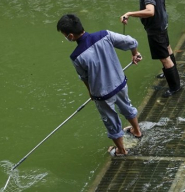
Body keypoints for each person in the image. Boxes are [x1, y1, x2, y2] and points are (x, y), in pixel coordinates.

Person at [57, 13, 143, 156]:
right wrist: (134, 54)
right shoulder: (105, 35)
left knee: (110, 120)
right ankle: (137, 131)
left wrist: (90, 92)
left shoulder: (76, 56)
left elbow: (84, 77)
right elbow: (131, 42)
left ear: (71, 36)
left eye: (65, 35)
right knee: (127, 106)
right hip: (120, 84)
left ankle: (121, 150)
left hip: (103, 94)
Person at [121, 0, 181, 98]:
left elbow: (150, 11)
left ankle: (175, 87)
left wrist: (129, 13)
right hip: (162, 23)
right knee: (167, 49)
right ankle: (170, 73)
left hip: (155, 28)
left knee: (164, 58)